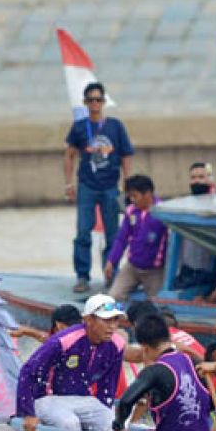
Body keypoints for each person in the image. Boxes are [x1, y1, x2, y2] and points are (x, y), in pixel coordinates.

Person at [18, 294, 126, 431]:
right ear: (88, 320)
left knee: (112, 424)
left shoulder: (117, 344)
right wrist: (28, 414)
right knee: (69, 423)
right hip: (47, 399)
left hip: (83, 400)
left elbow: (108, 385)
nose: (112, 327)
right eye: (106, 320)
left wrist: (106, 411)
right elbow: (27, 371)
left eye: (115, 320)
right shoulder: (63, 341)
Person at [64, 82, 134, 293]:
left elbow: (126, 155)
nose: (95, 103)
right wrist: (69, 183)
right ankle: (82, 276)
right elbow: (69, 155)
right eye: (91, 100)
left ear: (104, 102)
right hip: (87, 185)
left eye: (98, 99)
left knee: (113, 234)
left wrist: (128, 184)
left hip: (110, 186)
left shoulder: (115, 126)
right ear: (85, 103)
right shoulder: (79, 126)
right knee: (83, 231)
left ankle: (109, 274)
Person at [112, 314, 212, 431]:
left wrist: (118, 427)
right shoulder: (194, 363)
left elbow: (125, 402)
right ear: (168, 337)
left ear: (145, 348)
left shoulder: (154, 372)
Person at [104, 174, 167, 302]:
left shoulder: (164, 213)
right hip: (132, 267)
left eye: (135, 196)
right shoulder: (131, 211)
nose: (132, 200)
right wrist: (111, 261)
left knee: (157, 304)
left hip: (155, 270)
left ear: (147, 194)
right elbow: (122, 238)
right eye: (130, 196)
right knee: (113, 297)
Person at [172, 163, 216, 293]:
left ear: (209, 180)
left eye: (201, 177)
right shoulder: (183, 206)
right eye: (193, 177)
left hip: (211, 270)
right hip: (188, 270)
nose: (197, 181)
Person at [11, 304, 82, 343]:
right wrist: (25, 331)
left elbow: (48, 339)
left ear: (59, 325)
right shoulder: (85, 332)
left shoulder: (62, 342)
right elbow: (43, 337)